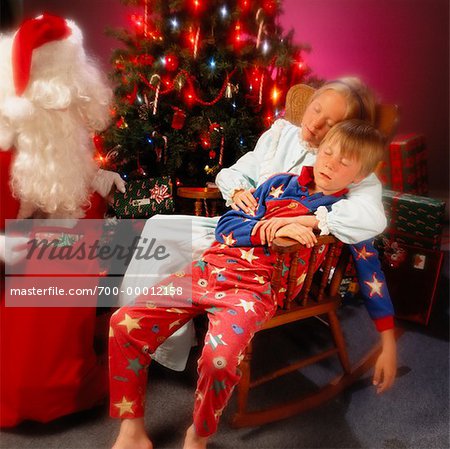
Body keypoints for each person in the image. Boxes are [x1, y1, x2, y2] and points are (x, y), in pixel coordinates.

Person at [109, 120, 396, 449]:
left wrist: (387, 342)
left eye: (344, 161)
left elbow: (372, 275)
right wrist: (269, 229)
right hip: (210, 267)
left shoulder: (345, 216)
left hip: (254, 292)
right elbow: (227, 225)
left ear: (360, 176)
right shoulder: (279, 184)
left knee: (219, 359)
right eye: (327, 152)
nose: (330, 162)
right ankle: (132, 431)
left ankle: (198, 437)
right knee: (123, 324)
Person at [121, 76, 388, 371]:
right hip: (240, 226)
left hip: (273, 250)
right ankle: (146, 331)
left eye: (330, 122)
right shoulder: (281, 135)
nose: (316, 123)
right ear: (309, 104)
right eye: (316, 110)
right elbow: (235, 171)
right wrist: (236, 189)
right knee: (158, 226)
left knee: (174, 245)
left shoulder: (345, 162)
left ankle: (155, 343)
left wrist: (311, 219)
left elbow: (372, 218)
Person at [0, 13, 125, 427]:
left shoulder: (58, 118)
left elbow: (61, 176)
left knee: (79, 252)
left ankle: (72, 367)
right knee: (59, 265)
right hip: (13, 246)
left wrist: (97, 177)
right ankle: (45, 388)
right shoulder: (8, 133)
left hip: (43, 230)